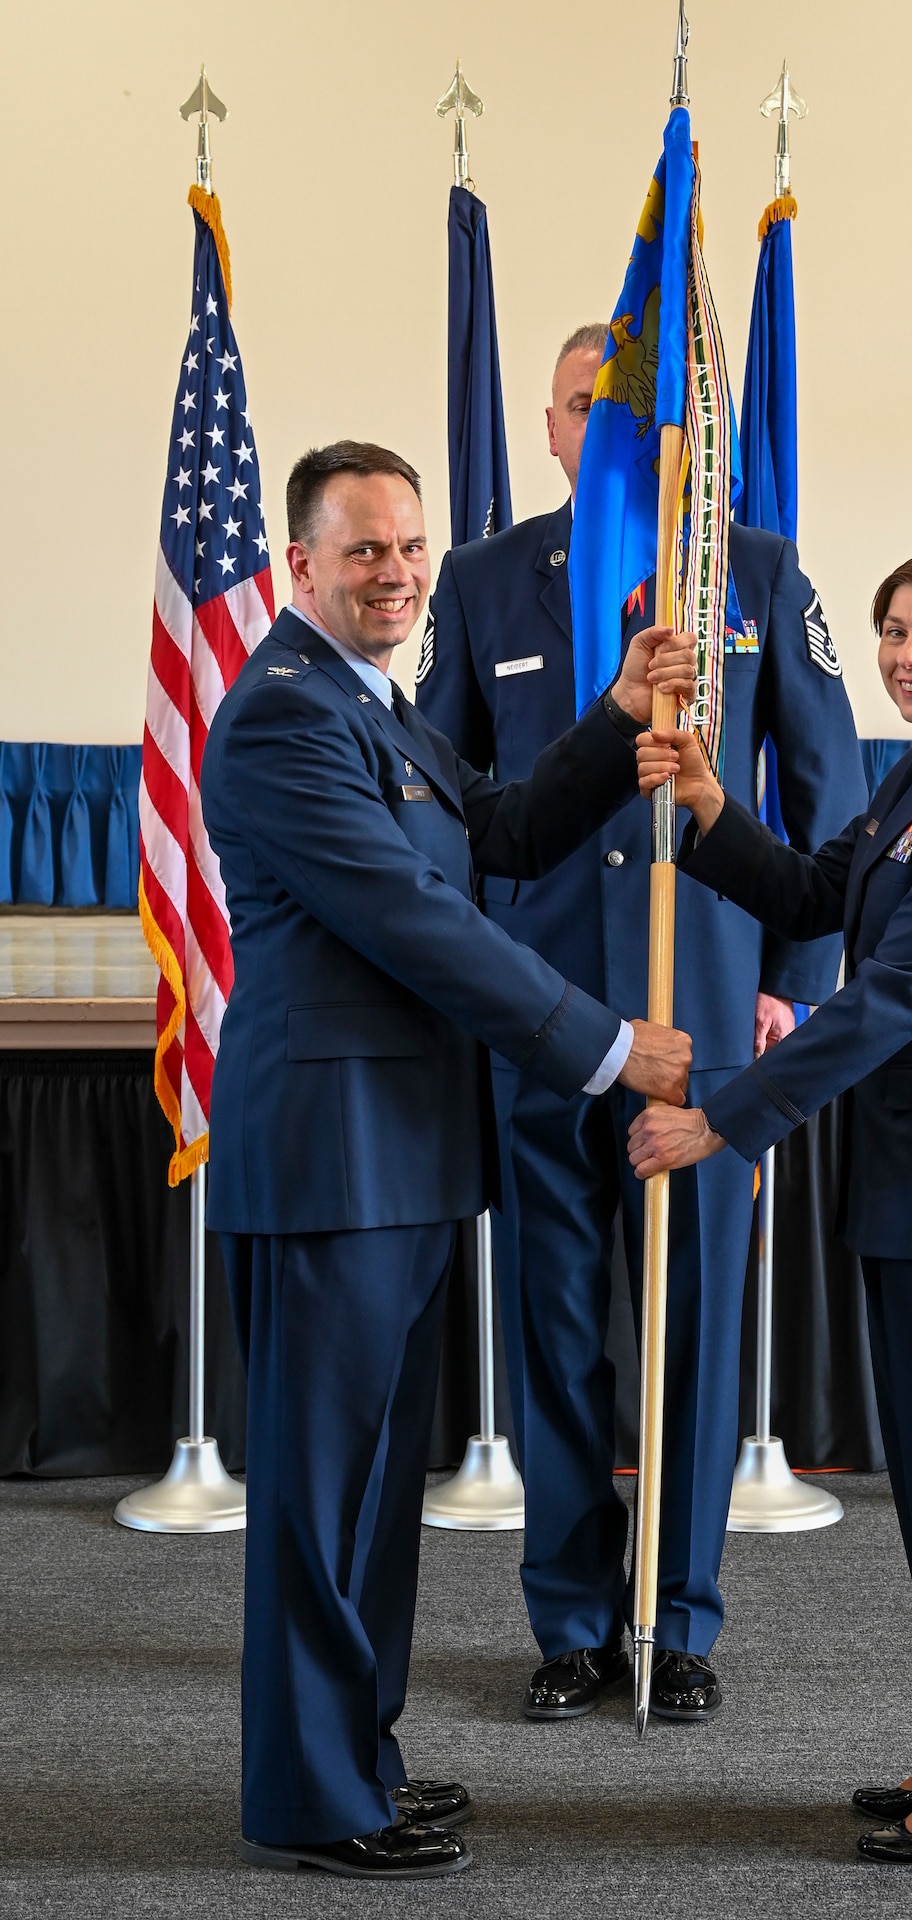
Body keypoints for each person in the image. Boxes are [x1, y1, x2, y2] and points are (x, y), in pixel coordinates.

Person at [202, 440, 696, 1881]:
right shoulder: (285, 719)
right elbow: (418, 925)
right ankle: (306, 1793)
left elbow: (500, 832)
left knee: (372, 1494)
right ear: (299, 565)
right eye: (363, 550)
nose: (398, 573)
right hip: (332, 1162)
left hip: (408, 1156)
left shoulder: (389, 713)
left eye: (410, 548)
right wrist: (605, 1048)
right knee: (320, 1489)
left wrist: (610, 718)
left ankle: (359, 1756)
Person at [416, 327, 865, 1723]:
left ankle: (676, 1619)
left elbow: (832, 787)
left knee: (690, 1330)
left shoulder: (756, 569)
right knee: (557, 1326)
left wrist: (792, 972)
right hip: (541, 1011)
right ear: (551, 430)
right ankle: (568, 1621)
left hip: (711, 1013)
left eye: (646, 414)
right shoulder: (483, 583)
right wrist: (469, 963)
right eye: (583, 411)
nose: (613, 434)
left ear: (688, 431)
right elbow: (437, 790)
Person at [630, 545, 912, 1865]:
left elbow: (889, 999)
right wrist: (713, 809)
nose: (903, 656)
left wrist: (724, 1110)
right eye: (891, 631)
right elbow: (822, 898)